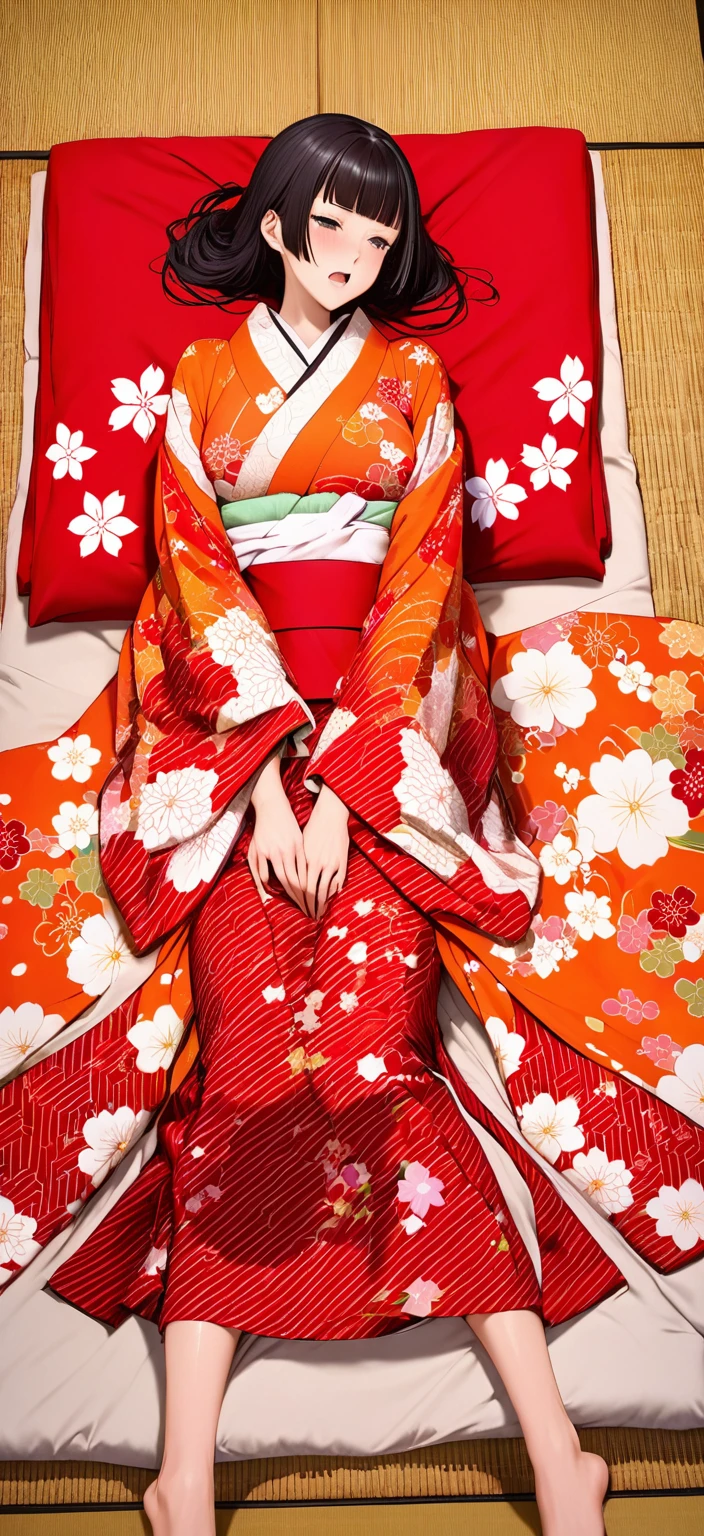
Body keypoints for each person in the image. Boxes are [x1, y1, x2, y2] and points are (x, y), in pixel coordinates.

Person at [1, 115, 702, 1536]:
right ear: (275, 225)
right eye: (334, 227)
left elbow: (425, 589)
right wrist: (266, 777)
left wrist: (354, 771)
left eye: (382, 237)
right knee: (249, 1076)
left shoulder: (416, 380)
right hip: (235, 751)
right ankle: (181, 1475)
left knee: (379, 1070)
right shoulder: (200, 381)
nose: (358, 258)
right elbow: (190, 586)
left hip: (382, 752)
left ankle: (557, 1455)